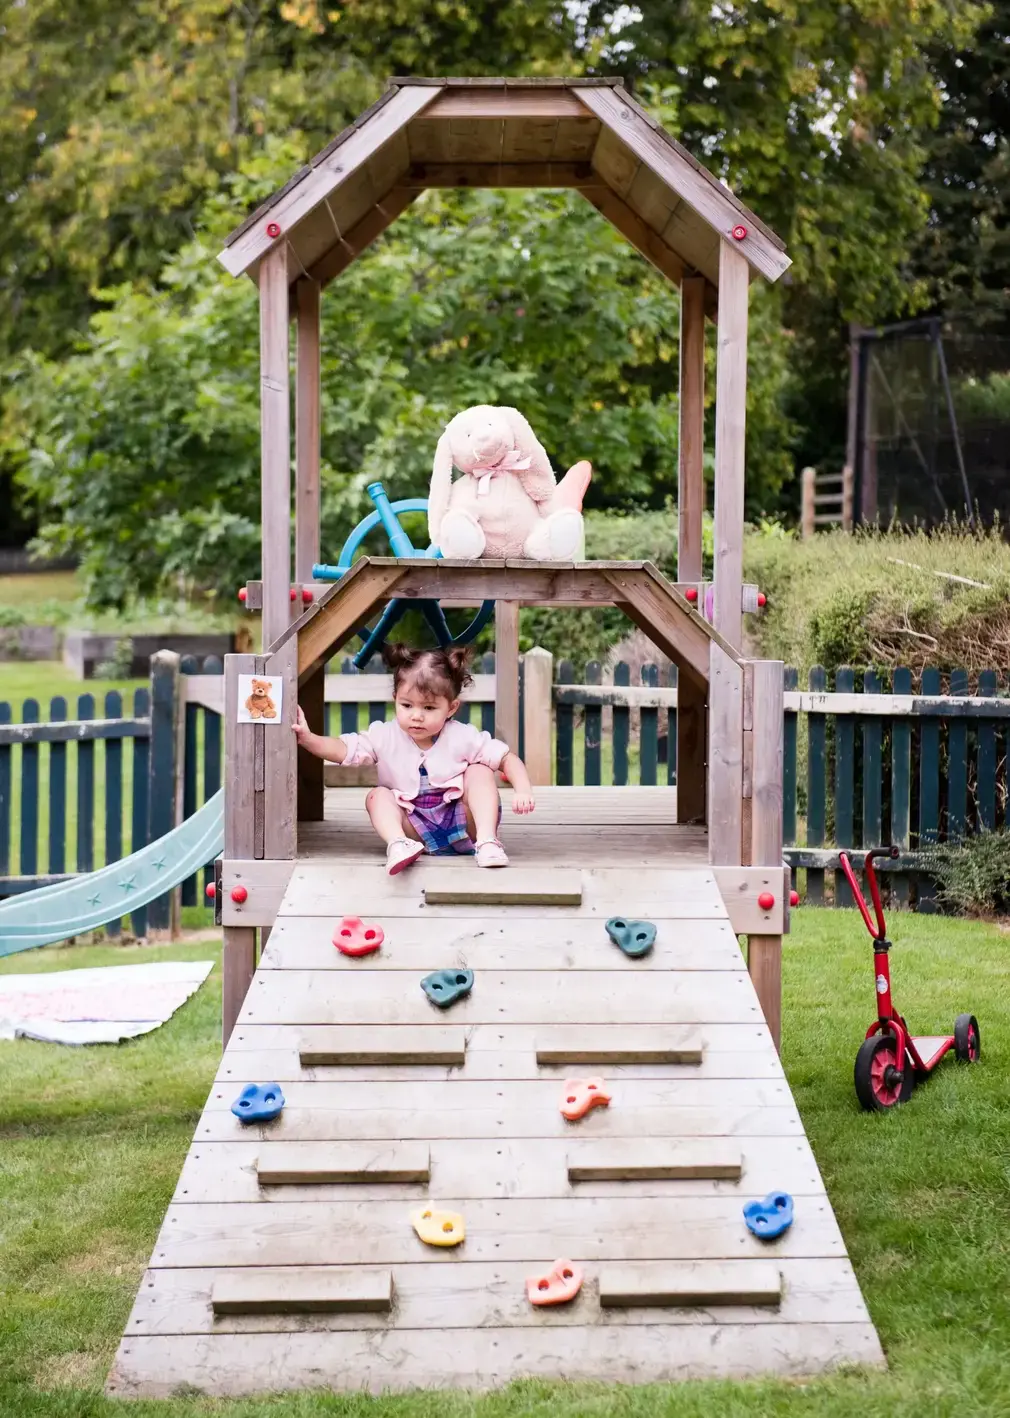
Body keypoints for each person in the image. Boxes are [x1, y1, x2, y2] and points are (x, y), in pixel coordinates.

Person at [294, 644, 535, 875]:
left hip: (462, 822)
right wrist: (308, 738)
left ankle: (487, 841)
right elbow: (343, 749)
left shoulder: (461, 736)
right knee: (376, 796)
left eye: (429, 708)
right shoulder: (385, 735)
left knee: (480, 771)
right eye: (407, 705)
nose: (416, 716)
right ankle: (398, 844)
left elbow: (506, 757)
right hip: (415, 829)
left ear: (451, 708)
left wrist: (522, 789)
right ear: (395, 699)